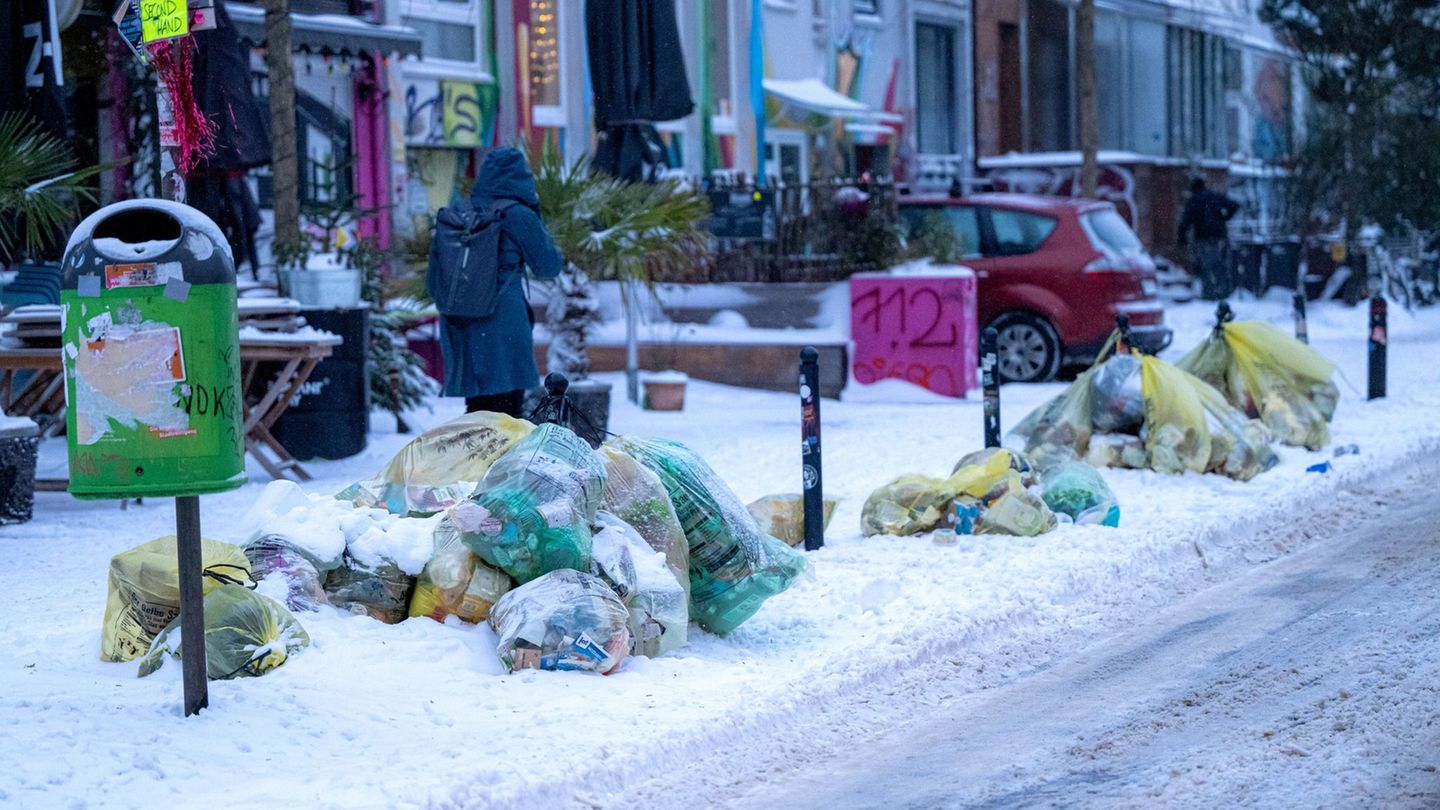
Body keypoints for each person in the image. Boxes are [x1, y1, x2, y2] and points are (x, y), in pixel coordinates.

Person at [438, 148, 563, 416]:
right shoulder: (517, 215)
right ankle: (502, 458)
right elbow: (548, 266)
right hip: (504, 319)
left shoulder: (461, 209)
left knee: (478, 410)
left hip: (463, 321)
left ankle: (476, 457)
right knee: (507, 411)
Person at [1178, 177, 1241, 300]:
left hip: (1203, 238)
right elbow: (1235, 205)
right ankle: (1224, 292)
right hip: (1220, 237)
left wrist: (1182, 238)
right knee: (1220, 265)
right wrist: (1225, 218)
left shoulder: (1194, 200)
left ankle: (1208, 294)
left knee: (1205, 266)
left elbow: (1185, 221)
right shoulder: (1215, 196)